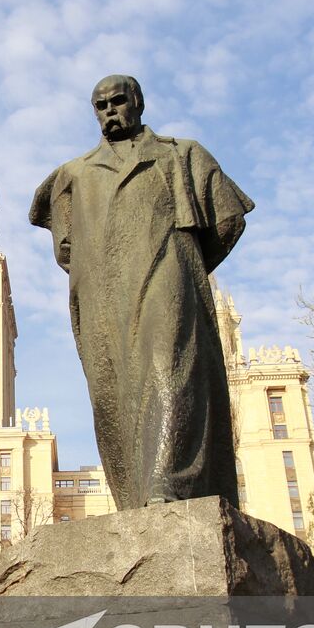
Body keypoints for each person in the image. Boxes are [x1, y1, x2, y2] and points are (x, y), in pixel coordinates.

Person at [30, 74, 254, 511]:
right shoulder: (72, 175)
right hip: (105, 294)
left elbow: (228, 220)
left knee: (170, 367)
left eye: (118, 101)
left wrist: (186, 266)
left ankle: (168, 486)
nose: (110, 111)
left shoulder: (183, 154)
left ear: (138, 103)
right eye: (101, 105)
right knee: (112, 392)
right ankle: (136, 500)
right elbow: (66, 250)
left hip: (168, 271)